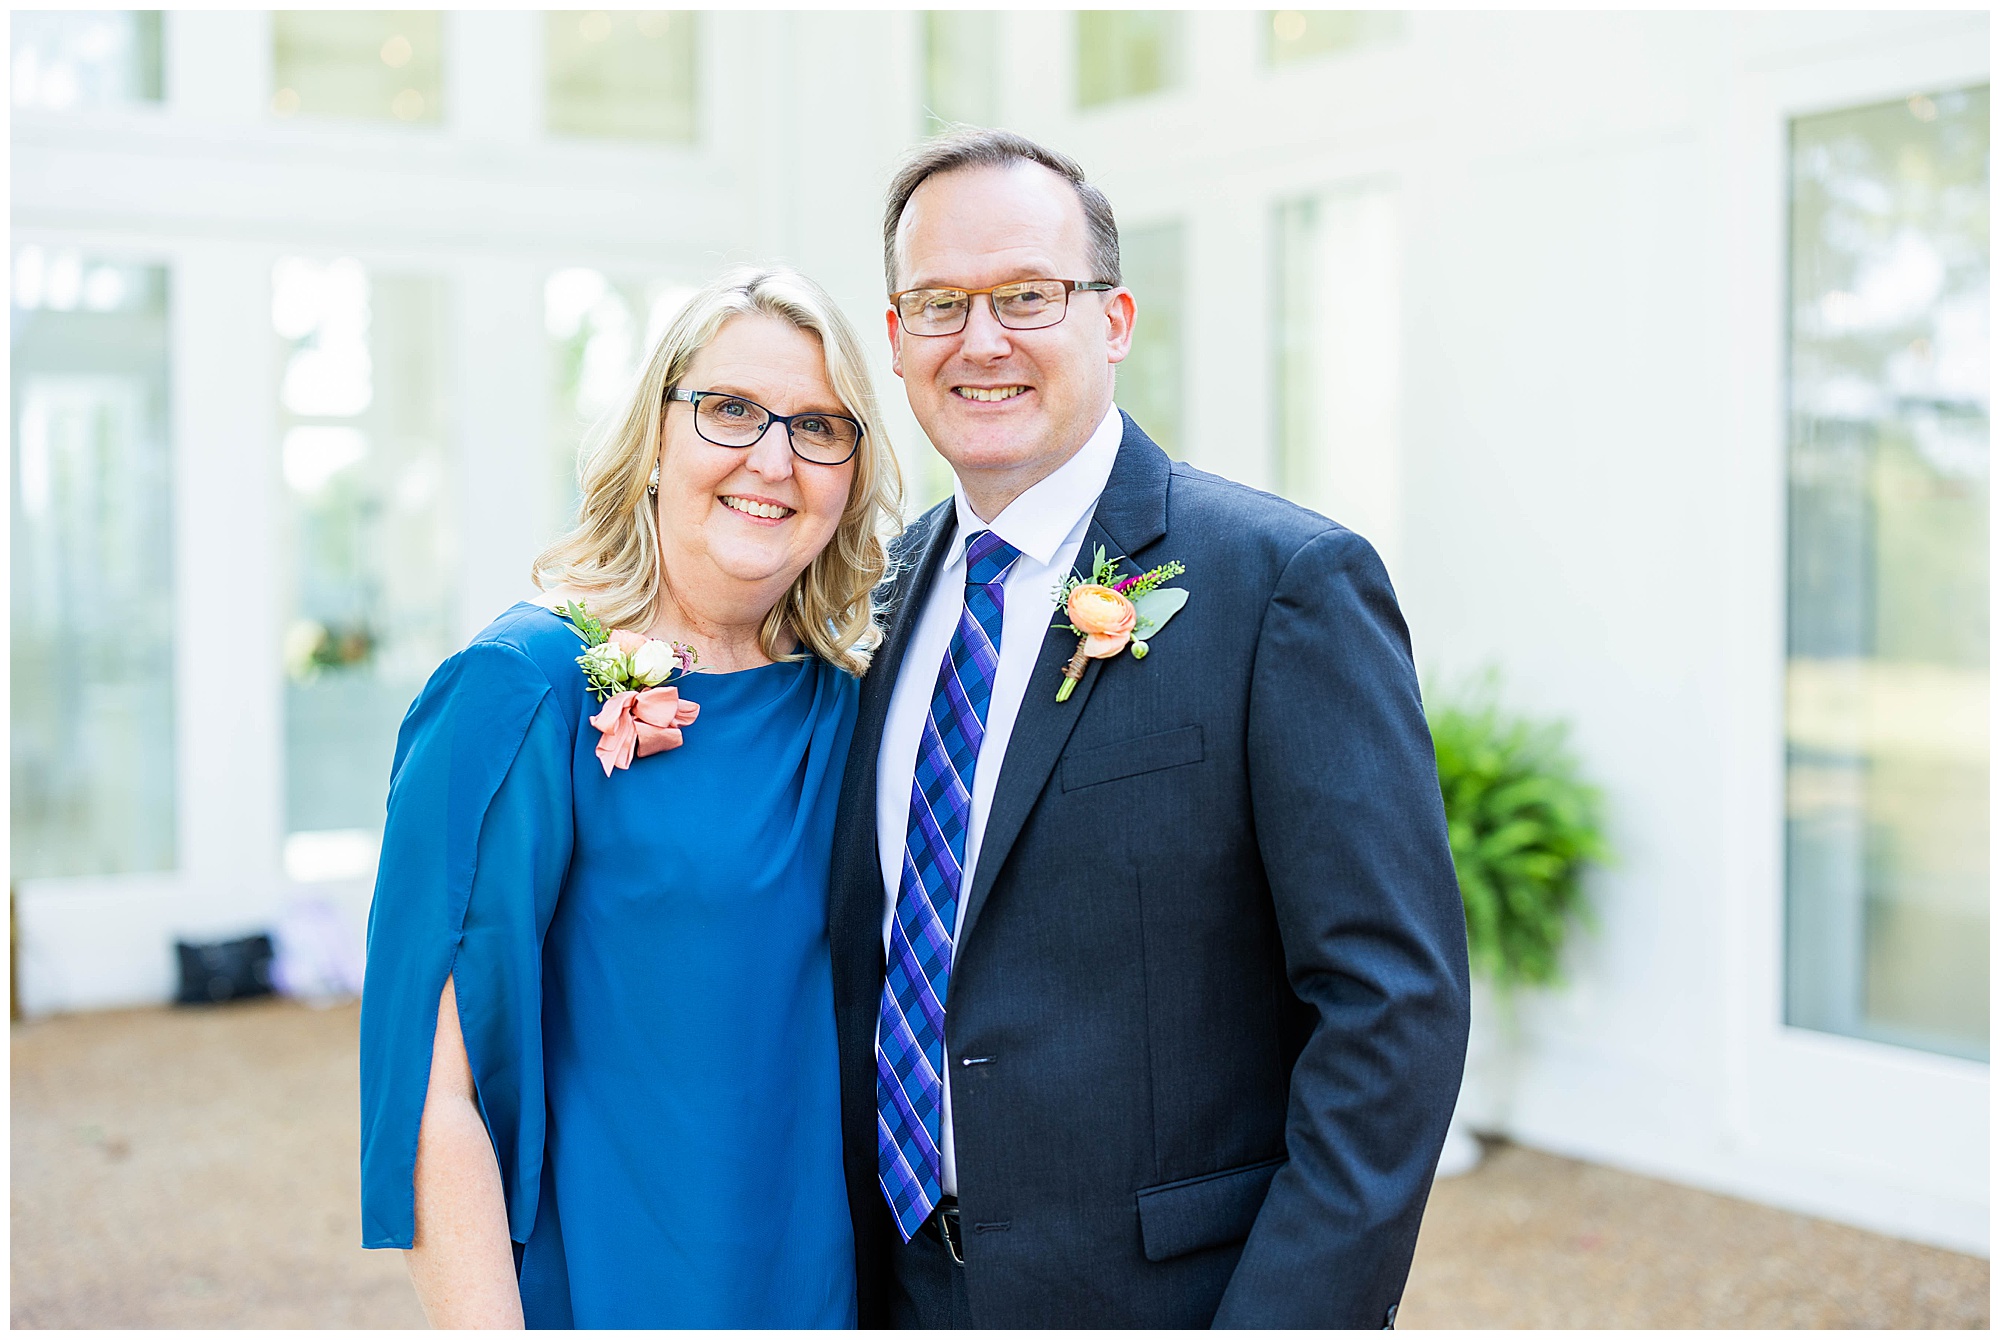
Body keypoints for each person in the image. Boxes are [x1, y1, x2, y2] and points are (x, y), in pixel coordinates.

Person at [826, 129, 1471, 1328]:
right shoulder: (870, 602)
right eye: (938, 303)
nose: (980, 339)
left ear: (1113, 318)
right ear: (898, 337)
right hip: (900, 1291)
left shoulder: (1281, 585)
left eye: (1026, 294)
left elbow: (1391, 1006)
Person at [358, 266, 903, 1328]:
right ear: (654, 434)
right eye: (730, 409)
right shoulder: (519, 688)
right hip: (615, 1288)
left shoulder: (857, 699)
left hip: (828, 1287)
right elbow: (431, 1093)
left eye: (818, 427)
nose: (773, 460)